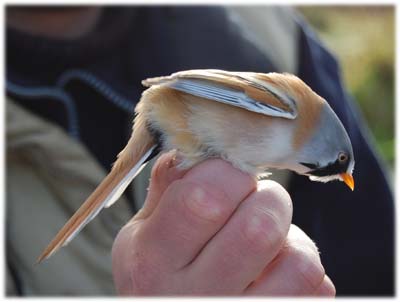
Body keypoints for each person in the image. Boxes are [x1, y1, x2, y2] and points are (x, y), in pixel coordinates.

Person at [6, 6, 394, 296]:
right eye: (341, 164)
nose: (340, 173)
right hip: (175, 106)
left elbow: (375, 269)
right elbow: (225, 89)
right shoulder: (295, 106)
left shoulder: (277, 34)